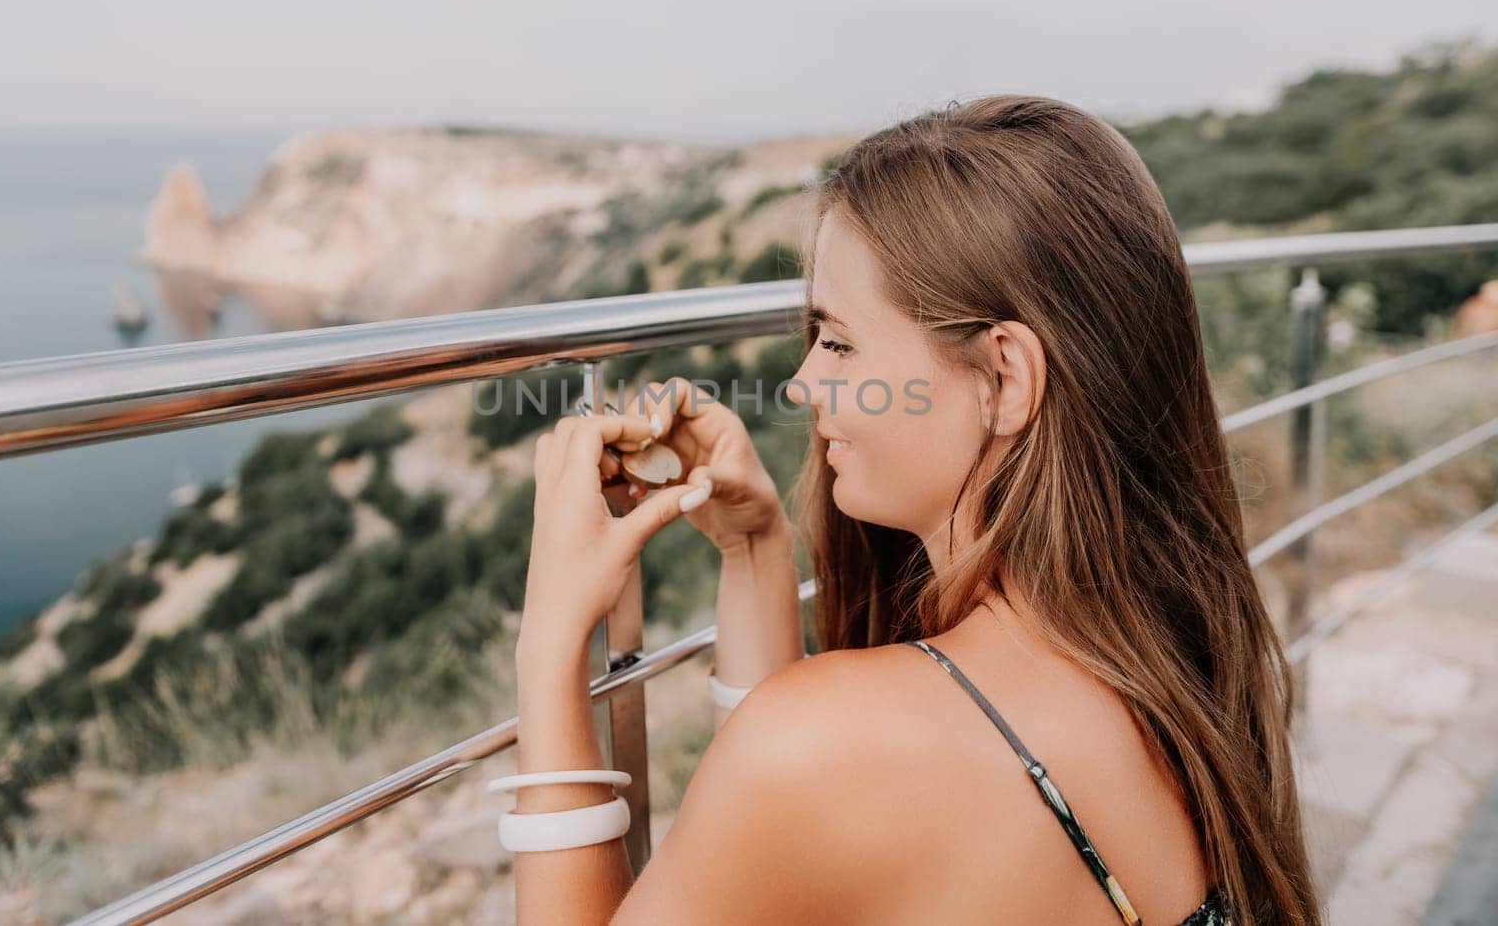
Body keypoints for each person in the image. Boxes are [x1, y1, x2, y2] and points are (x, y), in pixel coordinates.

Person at [506, 95, 1322, 924]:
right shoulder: (1179, 657)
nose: (802, 383)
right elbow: (799, 848)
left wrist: (551, 642)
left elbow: (801, 786)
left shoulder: (834, 744)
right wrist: (757, 551)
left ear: (1003, 380)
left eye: (838, 340)